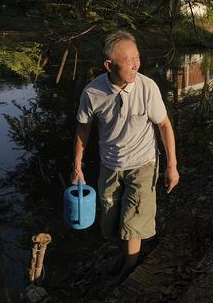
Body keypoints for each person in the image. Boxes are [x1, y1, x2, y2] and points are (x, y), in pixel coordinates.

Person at [72, 30, 179, 282]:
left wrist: (172, 165)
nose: (136, 65)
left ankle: (129, 269)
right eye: (129, 60)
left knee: (133, 222)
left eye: (137, 58)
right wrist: (77, 165)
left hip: (143, 163)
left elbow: (164, 125)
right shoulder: (92, 93)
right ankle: (125, 258)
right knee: (111, 221)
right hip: (110, 164)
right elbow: (83, 128)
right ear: (109, 65)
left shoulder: (147, 87)